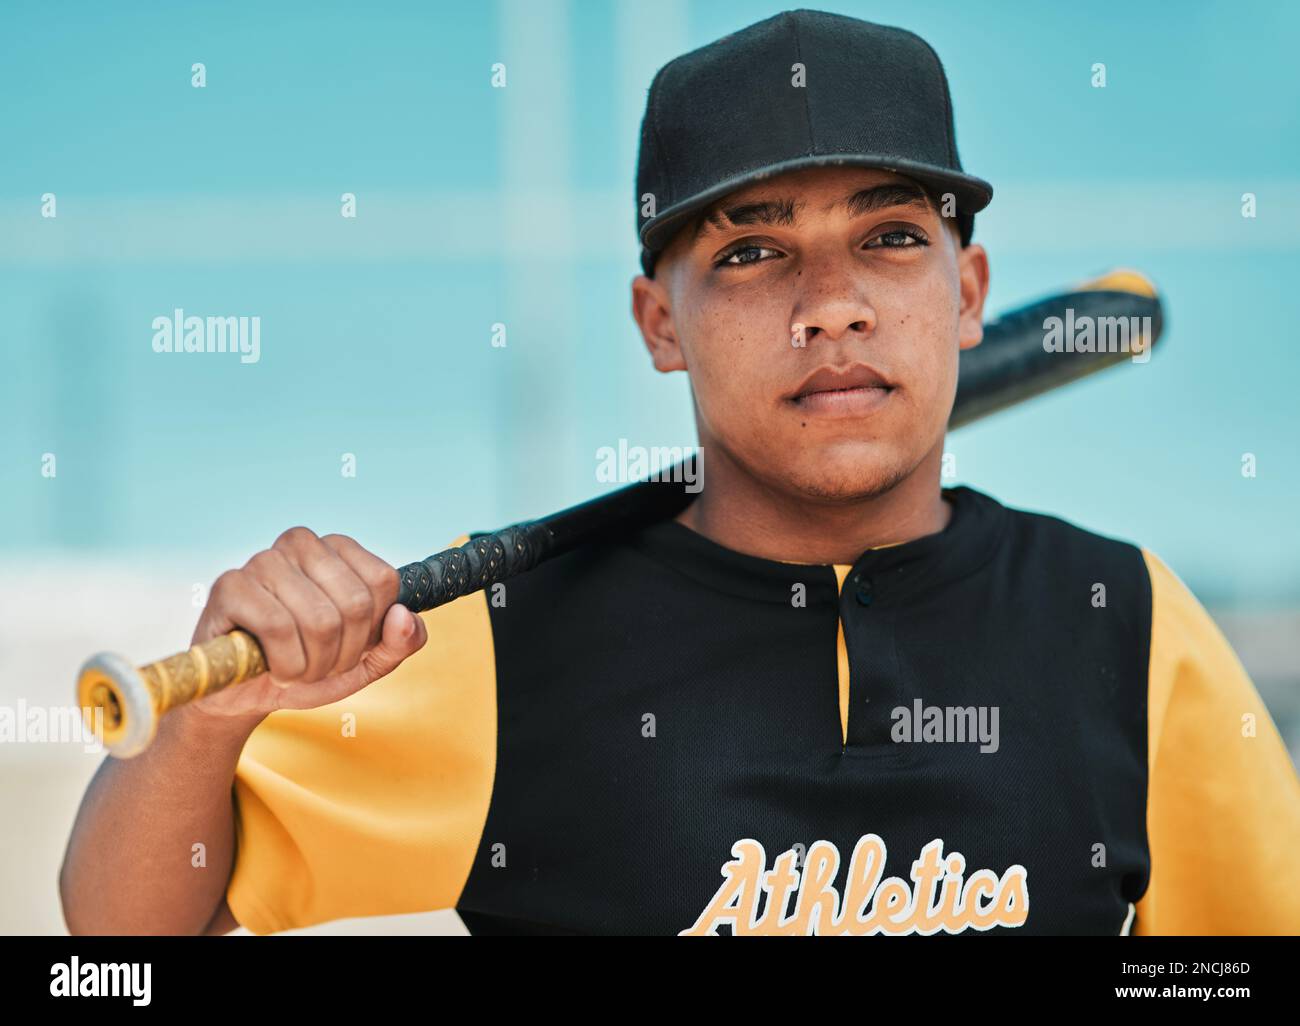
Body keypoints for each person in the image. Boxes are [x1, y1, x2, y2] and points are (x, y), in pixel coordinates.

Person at [60, 9, 1300, 937]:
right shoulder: (508, 639)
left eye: (888, 239)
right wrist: (204, 727)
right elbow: (120, 952)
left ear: (965, 292)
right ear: (660, 324)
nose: (831, 307)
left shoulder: (1119, 617)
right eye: (754, 251)